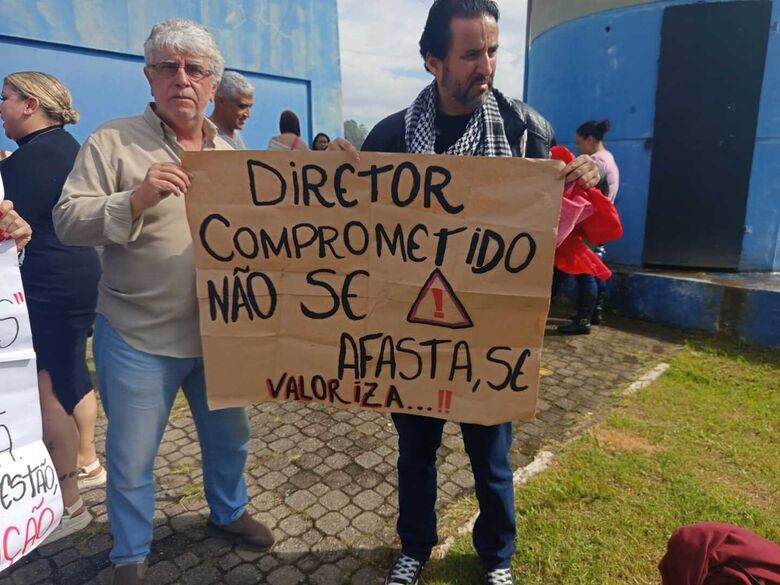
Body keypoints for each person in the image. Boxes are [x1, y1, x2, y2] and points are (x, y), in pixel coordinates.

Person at [329, 2, 600, 584]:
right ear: (433, 61)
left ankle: (496, 557)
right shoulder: (392, 135)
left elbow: (554, 228)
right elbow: (360, 229)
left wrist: (585, 180)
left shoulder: (528, 130)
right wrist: (337, 182)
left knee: (491, 459)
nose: (487, 66)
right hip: (411, 331)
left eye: (494, 51)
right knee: (416, 455)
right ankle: (415, 548)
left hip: (490, 333)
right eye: (471, 54)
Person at [53, 19, 274, 585]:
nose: (182, 79)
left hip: (221, 332)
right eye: (168, 67)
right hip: (137, 334)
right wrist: (137, 197)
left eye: (195, 70)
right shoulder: (113, 140)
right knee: (131, 456)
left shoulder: (231, 149)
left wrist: (336, 179)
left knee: (231, 438)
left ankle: (227, 511)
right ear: (149, 77)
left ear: (211, 82)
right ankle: (129, 552)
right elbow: (67, 219)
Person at [0, 71, 104, 544]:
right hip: (81, 278)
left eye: (5, 98)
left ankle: (69, 506)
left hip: (46, 285)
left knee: (48, 390)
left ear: (30, 104)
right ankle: (87, 461)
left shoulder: (27, 163)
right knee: (70, 374)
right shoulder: (73, 148)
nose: (0, 107)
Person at [557, 119, 621, 335]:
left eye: (579, 142)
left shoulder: (594, 163)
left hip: (587, 225)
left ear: (590, 139)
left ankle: (583, 320)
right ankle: (594, 314)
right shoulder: (609, 159)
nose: (578, 147)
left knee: (585, 272)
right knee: (593, 271)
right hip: (598, 225)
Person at [208, 70, 254, 149]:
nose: (247, 114)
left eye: (250, 107)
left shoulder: (238, 139)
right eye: (242, 106)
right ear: (221, 101)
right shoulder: (204, 137)